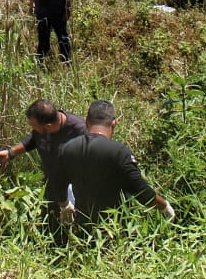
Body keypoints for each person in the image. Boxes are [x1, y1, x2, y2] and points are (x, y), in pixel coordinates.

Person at [55, 99, 174, 232]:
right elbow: (141, 191)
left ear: (86, 121)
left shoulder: (67, 148)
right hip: (114, 228)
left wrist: (64, 205)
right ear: (114, 123)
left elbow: (58, 184)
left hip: (81, 227)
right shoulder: (118, 151)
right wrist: (165, 207)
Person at [0, 99, 86, 242]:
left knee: (78, 226)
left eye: (35, 126)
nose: (33, 129)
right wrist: (10, 153)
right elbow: (33, 139)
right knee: (54, 226)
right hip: (53, 185)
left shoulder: (79, 130)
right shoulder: (43, 130)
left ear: (48, 126)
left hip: (76, 188)